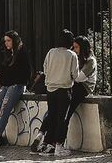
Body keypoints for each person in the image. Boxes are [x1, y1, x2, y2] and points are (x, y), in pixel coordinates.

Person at [37, 29, 79, 157]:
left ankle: (49, 144)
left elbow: (45, 68)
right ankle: (59, 145)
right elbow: (75, 75)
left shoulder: (51, 52)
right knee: (62, 119)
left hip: (50, 89)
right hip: (64, 89)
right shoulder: (71, 55)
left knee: (52, 116)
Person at [0, 30, 32, 148]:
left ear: (14, 40)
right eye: (5, 41)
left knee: (4, 108)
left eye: (8, 41)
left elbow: (25, 73)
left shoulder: (22, 53)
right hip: (7, 84)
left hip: (17, 84)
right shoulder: (8, 53)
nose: (6, 43)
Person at [65, 35, 97, 142]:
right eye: (73, 47)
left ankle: (59, 141)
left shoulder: (90, 61)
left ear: (83, 48)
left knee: (67, 113)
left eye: (76, 47)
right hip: (74, 86)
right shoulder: (76, 59)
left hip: (83, 88)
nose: (74, 50)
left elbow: (79, 78)